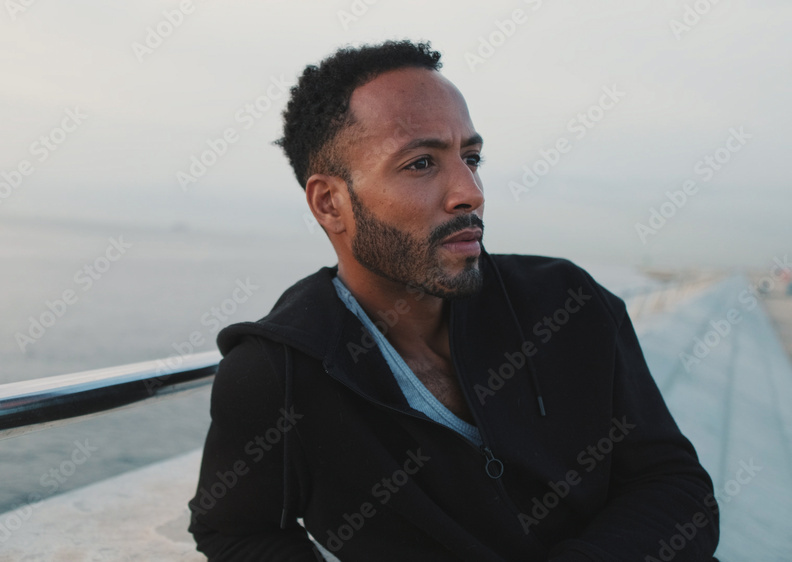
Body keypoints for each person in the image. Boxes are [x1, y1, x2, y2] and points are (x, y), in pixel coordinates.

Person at [187, 40, 719, 561]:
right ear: (330, 203)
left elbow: (674, 484)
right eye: (421, 163)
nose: (470, 192)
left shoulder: (566, 303)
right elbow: (234, 532)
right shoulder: (280, 373)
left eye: (471, 157)